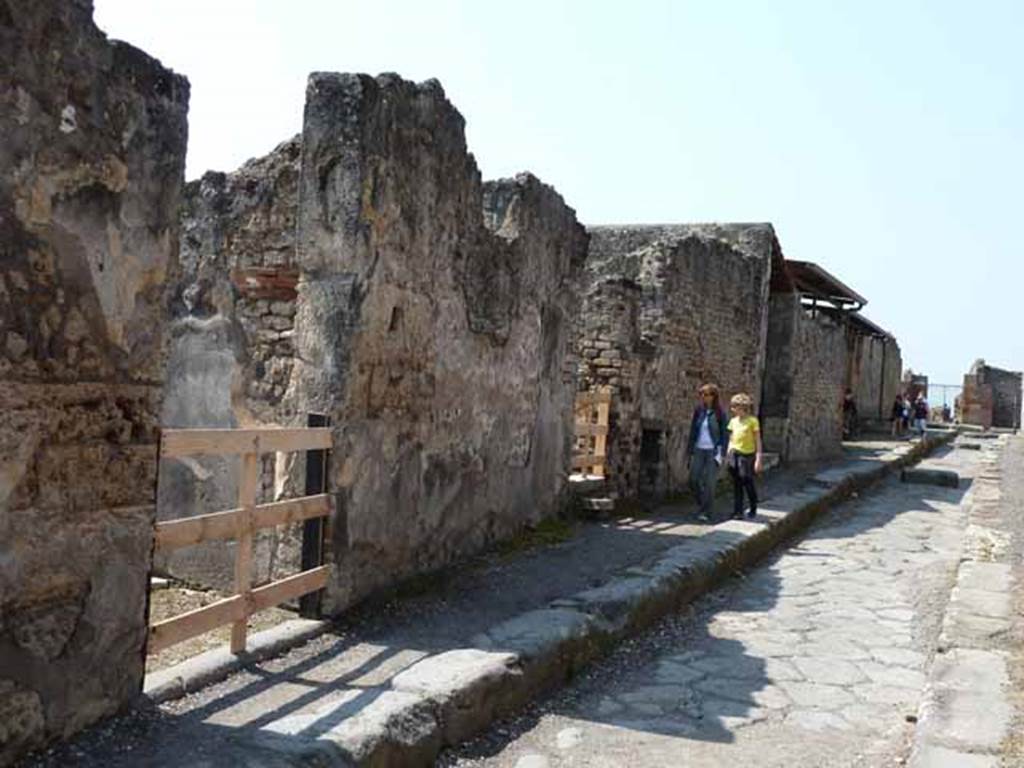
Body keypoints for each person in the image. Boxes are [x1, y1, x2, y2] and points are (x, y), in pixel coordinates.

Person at [685, 383, 728, 522]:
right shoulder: (699, 411)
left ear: (713, 396)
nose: (703, 397)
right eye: (701, 394)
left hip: (712, 451)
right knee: (693, 480)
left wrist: (722, 453)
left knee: (709, 483)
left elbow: (724, 434)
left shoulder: (720, 413)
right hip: (699, 448)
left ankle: (705, 512)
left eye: (706, 394)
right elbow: (693, 430)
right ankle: (703, 503)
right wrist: (689, 450)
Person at [726, 393, 763, 520]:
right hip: (735, 453)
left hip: (747, 455)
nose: (732, 409)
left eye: (735, 407)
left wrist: (758, 459)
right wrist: (728, 452)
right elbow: (731, 438)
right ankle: (738, 511)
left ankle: (753, 506)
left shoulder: (753, 421)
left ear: (742, 407)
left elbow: (757, 440)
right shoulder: (732, 421)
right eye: (732, 407)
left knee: (747, 481)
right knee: (737, 483)